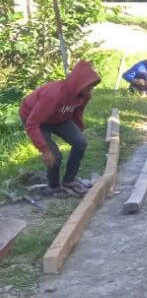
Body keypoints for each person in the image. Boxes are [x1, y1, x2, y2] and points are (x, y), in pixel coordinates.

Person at [19, 60, 102, 197]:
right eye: (89, 86)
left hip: (59, 118)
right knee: (55, 155)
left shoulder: (84, 95)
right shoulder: (53, 94)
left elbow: (76, 113)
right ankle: (54, 186)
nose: (90, 90)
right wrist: (44, 149)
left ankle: (69, 180)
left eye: (92, 86)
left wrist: (77, 132)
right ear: (78, 83)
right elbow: (32, 124)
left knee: (80, 142)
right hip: (36, 120)